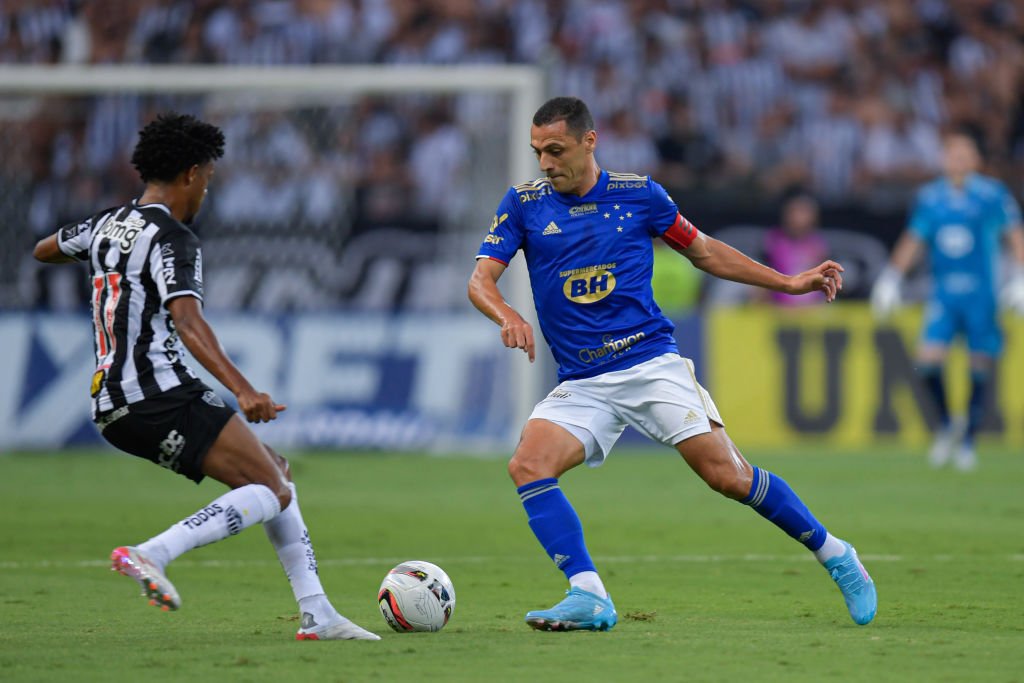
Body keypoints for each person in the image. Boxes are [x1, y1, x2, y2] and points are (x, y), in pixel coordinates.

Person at [468, 96, 876, 631]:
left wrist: (788, 282)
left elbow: (704, 251)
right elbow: (481, 280)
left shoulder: (639, 195)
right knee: (528, 465)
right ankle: (588, 594)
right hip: (584, 381)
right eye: (537, 151)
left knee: (728, 478)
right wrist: (506, 315)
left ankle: (837, 555)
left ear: (590, 141)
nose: (545, 163)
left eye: (555, 150)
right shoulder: (524, 203)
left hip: (648, 363)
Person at [32, 113, 379, 641]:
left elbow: (45, 248)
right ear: (192, 174)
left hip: (112, 401)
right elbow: (188, 321)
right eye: (210, 179)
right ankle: (152, 553)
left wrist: (108, 262)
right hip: (158, 390)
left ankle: (318, 614)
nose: (208, 191)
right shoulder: (175, 239)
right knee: (273, 486)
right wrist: (243, 390)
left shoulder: (106, 224)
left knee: (274, 474)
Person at [870, 132, 1024, 471]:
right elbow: (915, 238)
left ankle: (968, 440)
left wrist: (1021, 276)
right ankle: (945, 425)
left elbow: (1014, 233)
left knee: (979, 366)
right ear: (943, 159)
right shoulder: (930, 197)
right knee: (927, 362)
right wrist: (892, 277)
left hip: (982, 294)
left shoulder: (991, 194)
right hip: (944, 294)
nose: (957, 159)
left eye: (964, 154)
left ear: (975, 160)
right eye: (952, 153)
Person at [763, 192, 829, 307]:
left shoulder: (819, 245)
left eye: (804, 212)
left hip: (812, 310)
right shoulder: (773, 242)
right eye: (794, 211)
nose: (798, 217)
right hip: (778, 309)